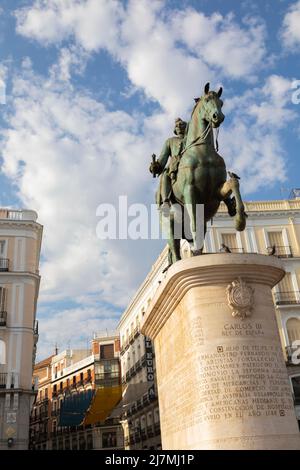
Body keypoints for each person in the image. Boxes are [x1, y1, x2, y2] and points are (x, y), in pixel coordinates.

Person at [150, 118, 187, 210]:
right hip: (174, 166)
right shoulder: (170, 141)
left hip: (191, 162)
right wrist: (154, 166)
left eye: (181, 125)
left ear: (187, 127)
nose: (178, 127)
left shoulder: (192, 139)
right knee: (165, 175)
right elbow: (162, 159)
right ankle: (166, 201)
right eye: (177, 126)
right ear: (175, 129)